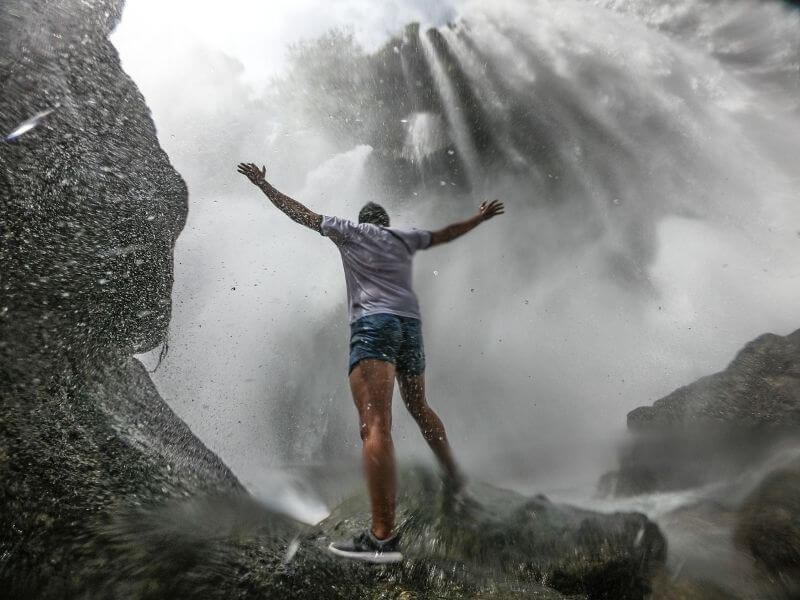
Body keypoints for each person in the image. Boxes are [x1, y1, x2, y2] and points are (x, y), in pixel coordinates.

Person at [237, 162, 505, 563]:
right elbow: (446, 234)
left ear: (364, 221)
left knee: (375, 422)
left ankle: (382, 540)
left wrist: (264, 184)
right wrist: (480, 218)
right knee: (419, 406)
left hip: (374, 327)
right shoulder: (402, 238)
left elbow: (301, 213)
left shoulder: (351, 231)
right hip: (409, 327)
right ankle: (454, 480)